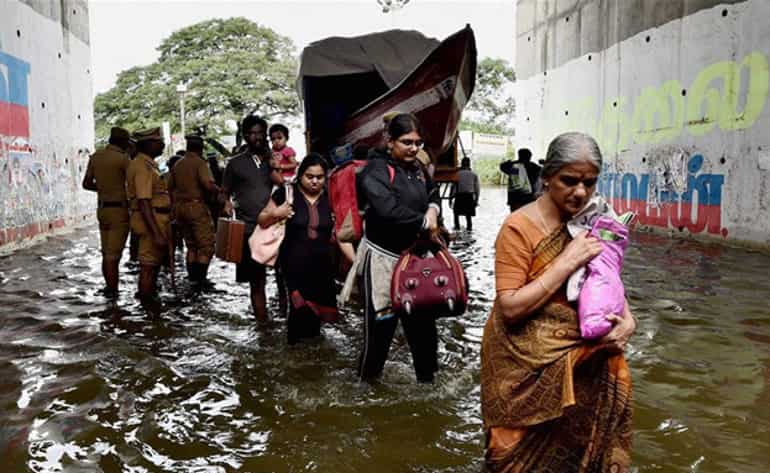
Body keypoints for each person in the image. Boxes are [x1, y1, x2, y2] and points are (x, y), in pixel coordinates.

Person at [480, 132, 636, 472]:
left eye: (589, 183)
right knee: (511, 457)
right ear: (546, 177)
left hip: (584, 363)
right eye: (569, 181)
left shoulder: (597, 222)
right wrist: (566, 261)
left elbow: (608, 281)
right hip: (521, 370)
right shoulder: (518, 227)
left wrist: (628, 321)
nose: (580, 192)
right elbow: (509, 307)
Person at [355, 113, 441, 382]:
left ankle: (428, 390)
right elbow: (388, 210)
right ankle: (367, 391)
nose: (414, 148)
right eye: (406, 142)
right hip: (384, 261)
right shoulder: (375, 170)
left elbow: (433, 192)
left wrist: (434, 209)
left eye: (418, 143)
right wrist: (425, 220)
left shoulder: (418, 169)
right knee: (380, 334)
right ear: (389, 141)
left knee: (424, 333)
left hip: (416, 262)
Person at [263, 153, 338, 345]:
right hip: (292, 264)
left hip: (322, 266)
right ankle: (294, 356)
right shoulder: (285, 194)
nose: (314, 181)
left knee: (317, 316)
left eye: (319, 177)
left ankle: (313, 363)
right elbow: (262, 218)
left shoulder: (330, 198)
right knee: (298, 311)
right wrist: (276, 213)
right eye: (309, 176)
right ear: (300, 174)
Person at [222, 115, 285, 321]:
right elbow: (224, 191)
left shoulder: (272, 160)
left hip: (277, 227)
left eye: (260, 133)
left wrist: (273, 164)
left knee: (284, 277)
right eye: (251, 133)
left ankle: (286, 319)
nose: (256, 137)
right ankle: (263, 325)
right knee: (256, 281)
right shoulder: (235, 164)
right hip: (250, 229)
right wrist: (226, 203)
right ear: (245, 136)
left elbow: (284, 184)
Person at [82, 126, 131, 297]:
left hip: (102, 210)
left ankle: (109, 288)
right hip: (119, 210)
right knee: (113, 255)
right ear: (124, 142)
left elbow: (86, 183)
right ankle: (113, 292)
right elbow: (133, 185)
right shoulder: (123, 160)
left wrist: (103, 189)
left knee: (106, 252)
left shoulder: (96, 157)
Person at [168, 135, 220, 283]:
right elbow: (207, 184)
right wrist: (219, 191)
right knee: (206, 247)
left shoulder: (178, 164)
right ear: (201, 148)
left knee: (191, 246)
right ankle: (200, 281)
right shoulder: (199, 163)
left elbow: (169, 187)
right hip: (196, 206)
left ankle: (192, 279)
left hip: (180, 208)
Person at [126, 127, 172, 299]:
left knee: (152, 267)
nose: (162, 145)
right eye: (159, 142)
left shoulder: (147, 165)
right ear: (148, 144)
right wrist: (156, 234)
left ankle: (150, 306)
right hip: (151, 221)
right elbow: (144, 201)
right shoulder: (142, 166)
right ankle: (147, 307)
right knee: (148, 267)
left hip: (156, 219)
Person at [499, 148, 542, 212]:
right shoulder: (533, 167)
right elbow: (545, 172)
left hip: (514, 199)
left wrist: (509, 162)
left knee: (515, 217)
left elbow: (502, 167)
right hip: (529, 199)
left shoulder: (512, 166)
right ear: (529, 156)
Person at [452, 157, 480, 230]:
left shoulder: (457, 174)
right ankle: (469, 229)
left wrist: (450, 199)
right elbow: (477, 189)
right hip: (469, 197)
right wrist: (476, 200)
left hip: (459, 196)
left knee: (456, 214)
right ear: (469, 164)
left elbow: (453, 187)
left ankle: (457, 227)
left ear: (462, 164)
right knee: (468, 217)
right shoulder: (473, 174)